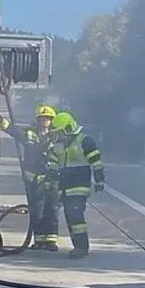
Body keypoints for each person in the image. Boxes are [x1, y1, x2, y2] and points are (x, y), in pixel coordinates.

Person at [44, 111, 105, 259]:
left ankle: (82, 247)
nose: (58, 135)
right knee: (70, 216)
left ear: (69, 129)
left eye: (60, 132)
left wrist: (99, 180)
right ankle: (77, 246)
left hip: (79, 185)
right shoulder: (59, 145)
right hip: (64, 186)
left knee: (75, 214)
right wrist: (51, 172)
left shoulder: (85, 141)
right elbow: (52, 159)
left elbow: (96, 162)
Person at [0, 104, 59, 250]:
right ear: (37, 120)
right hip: (34, 181)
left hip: (52, 181)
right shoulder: (30, 134)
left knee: (51, 211)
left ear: (52, 120)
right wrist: (2, 123)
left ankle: (50, 241)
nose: (44, 122)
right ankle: (39, 241)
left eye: (47, 119)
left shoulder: (58, 136)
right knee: (37, 211)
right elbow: (15, 131)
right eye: (42, 119)